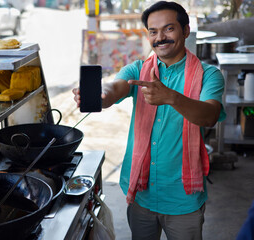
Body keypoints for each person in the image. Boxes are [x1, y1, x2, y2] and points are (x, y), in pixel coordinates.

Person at [72, 1, 226, 240]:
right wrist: (101, 95)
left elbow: (209, 116)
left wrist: (172, 97)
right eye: (153, 32)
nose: (160, 38)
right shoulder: (138, 70)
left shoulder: (209, 75)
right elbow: (115, 88)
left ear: (185, 31)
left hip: (182, 198)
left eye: (169, 29)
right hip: (141, 193)